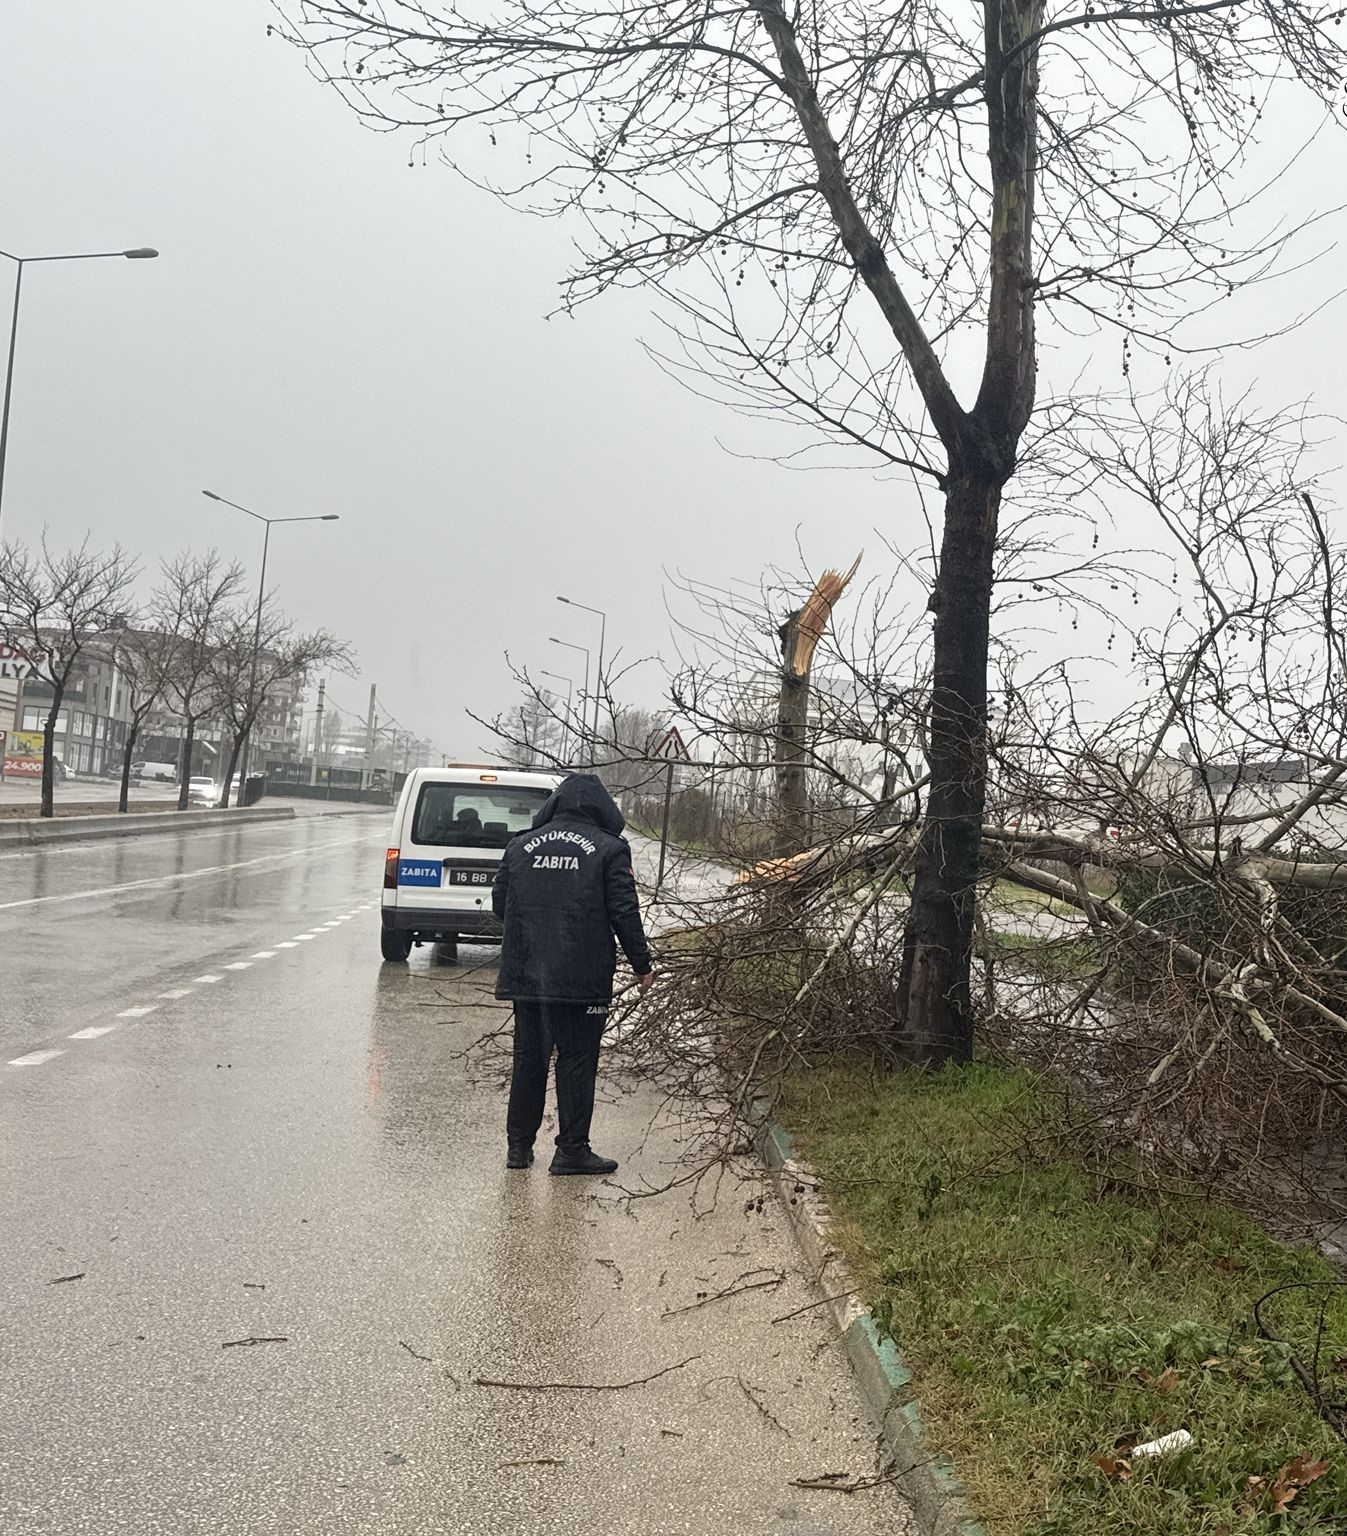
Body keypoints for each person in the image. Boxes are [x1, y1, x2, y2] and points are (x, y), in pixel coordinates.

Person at [491, 773, 653, 1175]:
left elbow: (500, 905)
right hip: (582, 980)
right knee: (577, 1061)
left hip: (528, 976)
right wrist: (641, 964)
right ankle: (571, 1151)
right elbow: (624, 911)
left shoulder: (519, 846)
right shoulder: (611, 849)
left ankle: (518, 1149)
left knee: (529, 1060)